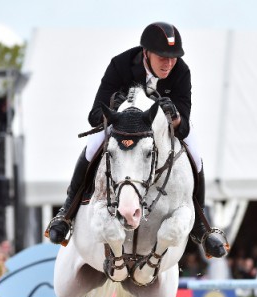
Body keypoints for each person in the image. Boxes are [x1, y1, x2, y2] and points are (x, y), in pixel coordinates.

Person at [45, 22, 228, 259]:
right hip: (123, 129)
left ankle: (202, 226)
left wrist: (174, 115)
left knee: (196, 153)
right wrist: (113, 105)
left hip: (161, 131)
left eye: (173, 57)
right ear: (146, 52)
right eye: (163, 57)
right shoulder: (120, 65)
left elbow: (183, 125)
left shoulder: (181, 71)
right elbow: (94, 117)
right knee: (92, 146)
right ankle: (66, 213)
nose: (169, 63)